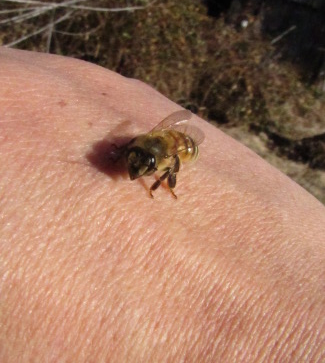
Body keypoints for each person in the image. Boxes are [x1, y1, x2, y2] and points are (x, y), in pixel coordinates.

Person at [0, 47, 324, 362]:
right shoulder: (142, 144)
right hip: (161, 142)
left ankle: (166, 188)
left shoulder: (166, 157)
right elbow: (137, 144)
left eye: (141, 165)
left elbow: (168, 151)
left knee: (171, 166)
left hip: (183, 148)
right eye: (134, 159)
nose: (133, 169)